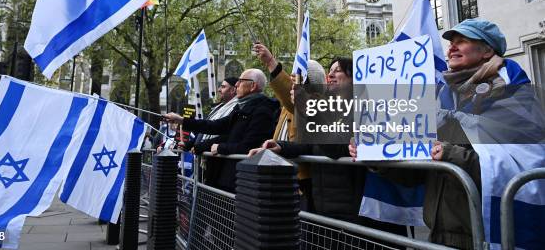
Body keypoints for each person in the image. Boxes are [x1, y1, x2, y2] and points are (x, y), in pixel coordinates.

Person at [349, 18, 538, 249]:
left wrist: (451, 155)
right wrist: (376, 154)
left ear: (488, 50)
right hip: (439, 234)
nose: (452, 47)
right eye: (450, 43)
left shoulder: (511, 92)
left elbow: (524, 168)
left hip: (489, 236)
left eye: (463, 41)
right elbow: (416, 174)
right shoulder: (442, 96)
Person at [250, 58, 407, 243]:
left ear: (354, 78)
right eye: (329, 70)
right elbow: (311, 144)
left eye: (338, 70)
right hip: (325, 206)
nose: (330, 74)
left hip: (356, 210)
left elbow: (337, 148)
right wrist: (281, 147)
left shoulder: (365, 109)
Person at [164, 69, 279, 193]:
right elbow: (215, 126)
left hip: (239, 179)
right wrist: (181, 120)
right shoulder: (241, 108)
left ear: (253, 86)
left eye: (241, 81)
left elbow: (249, 146)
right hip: (227, 176)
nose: (236, 85)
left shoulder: (262, 111)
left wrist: (220, 148)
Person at [252, 42, 326, 210]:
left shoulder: (314, 102)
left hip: (299, 178)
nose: (291, 80)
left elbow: (287, 92)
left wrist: (271, 62)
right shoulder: (289, 104)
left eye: (296, 77)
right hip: (281, 171)